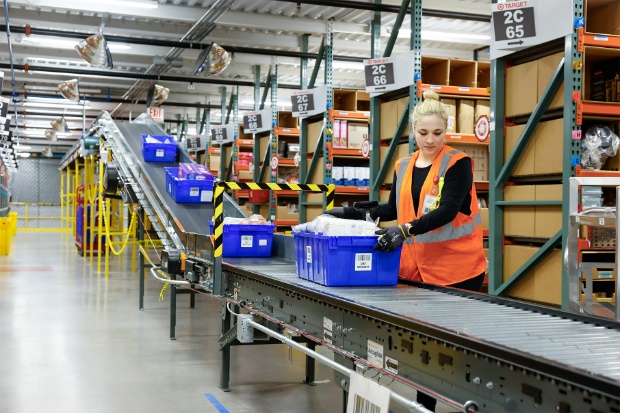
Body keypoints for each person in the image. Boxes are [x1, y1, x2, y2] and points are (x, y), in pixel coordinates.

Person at [328, 90, 487, 411]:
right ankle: (425, 406)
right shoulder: (404, 164)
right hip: (417, 269)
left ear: (447, 130)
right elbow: (393, 208)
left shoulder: (457, 163)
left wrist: (403, 230)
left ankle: (471, 402)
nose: (430, 140)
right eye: (423, 133)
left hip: (458, 271)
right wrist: (351, 213)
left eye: (438, 133)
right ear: (413, 131)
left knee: (453, 348)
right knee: (424, 349)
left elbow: (448, 209)